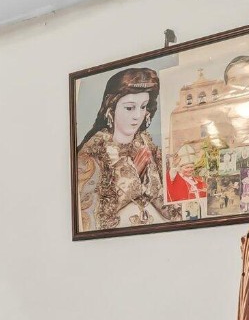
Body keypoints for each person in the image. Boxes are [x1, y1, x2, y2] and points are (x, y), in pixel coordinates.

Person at [75, 67, 175, 232]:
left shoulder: (149, 148)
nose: (137, 115)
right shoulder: (90, 158)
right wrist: (132, 177)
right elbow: (88, 221)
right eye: (129, 108)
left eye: (143, 107)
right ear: (111, 108)